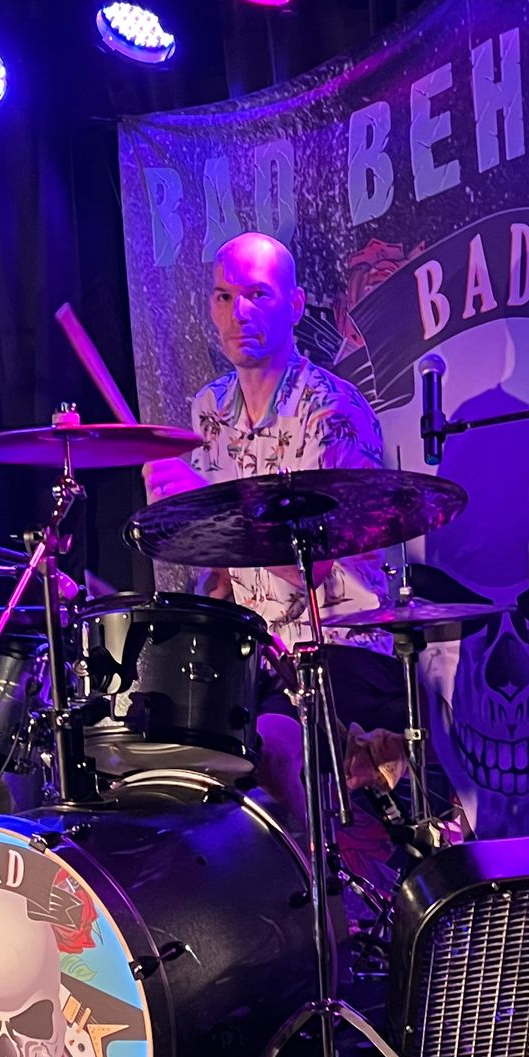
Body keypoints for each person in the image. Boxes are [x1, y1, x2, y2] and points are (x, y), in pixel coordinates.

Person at [143, 231, 407, 818]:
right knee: (163, 737)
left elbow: (312, 566)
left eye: (257, 294)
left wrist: (210, 502)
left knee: (270, 747)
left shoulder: (330, 412)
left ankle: (320, 875)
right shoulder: (209, 410)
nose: (238, 313)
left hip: (340, 644)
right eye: (224, 296)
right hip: (258, 650)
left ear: (294, 305)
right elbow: (222, 574)